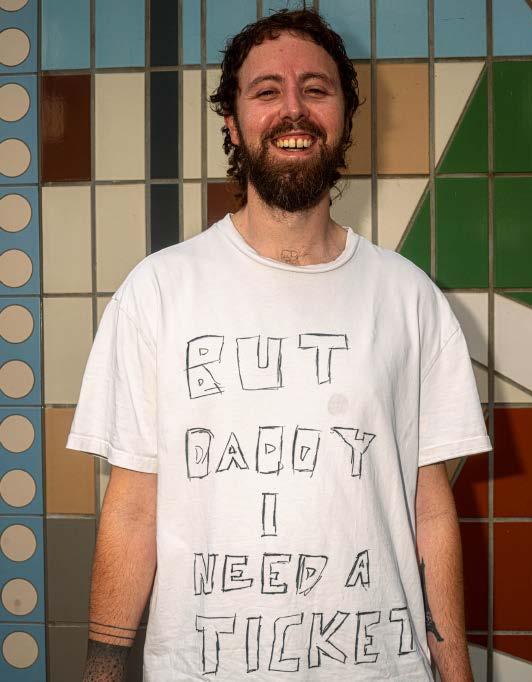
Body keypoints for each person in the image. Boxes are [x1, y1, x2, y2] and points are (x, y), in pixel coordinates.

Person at [67, 8, 492, 682]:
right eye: (267, 90)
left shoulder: (410, 298)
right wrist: (101, 669)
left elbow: (430, 506)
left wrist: (456, 670)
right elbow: (133, 507)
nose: (293, 108)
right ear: (233, 122)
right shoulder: (158, 291)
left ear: (344, 117)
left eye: (316, 89)